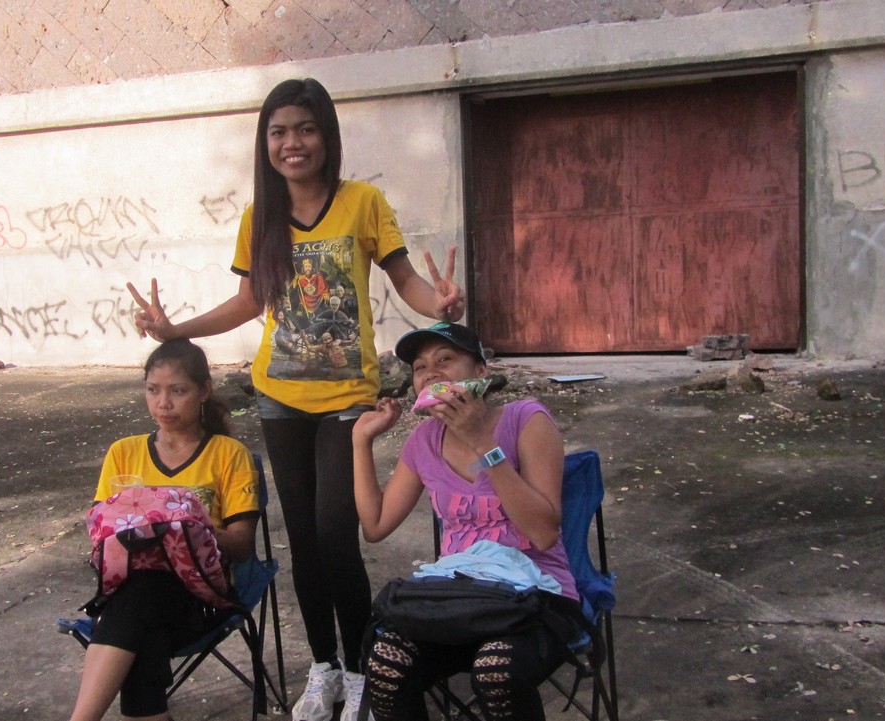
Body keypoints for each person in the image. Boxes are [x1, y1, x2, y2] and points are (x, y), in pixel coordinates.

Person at [128, 77, 465, 721]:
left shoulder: (362, 202)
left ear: (327, 136)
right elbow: (248, 302)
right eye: (279, 131)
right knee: (305, 542)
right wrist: (175, 330)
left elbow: (404, 279)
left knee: (337, 535)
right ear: (266, 142)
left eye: (306, 129)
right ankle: (325, 667)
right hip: (279, 398)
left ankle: (362, 671)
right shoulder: (259, 217)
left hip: (347, 400)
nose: (293, 143)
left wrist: (440, 307)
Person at [351, 322, 585, 721]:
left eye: (445, 359)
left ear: (481, 372)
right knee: (386, 664)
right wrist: (361, 442)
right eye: (420, 367)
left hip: (536, 595)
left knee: (497, 671)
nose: (431, 373)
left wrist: (481, 442)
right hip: (460, 597)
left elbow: (544, 534)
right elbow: (375, 526)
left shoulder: (527, 419)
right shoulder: (423, 441)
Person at [67, 339, 261, 721]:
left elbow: (242, 546)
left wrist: (184, 527)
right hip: (132, 592)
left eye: (178, 391)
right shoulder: (123, 453)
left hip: (200, 597)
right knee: (141, 608)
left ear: (204, 391)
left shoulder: (229, 454)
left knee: (137, 604)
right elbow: (99, 535)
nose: (163, 403)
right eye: (153, 390)